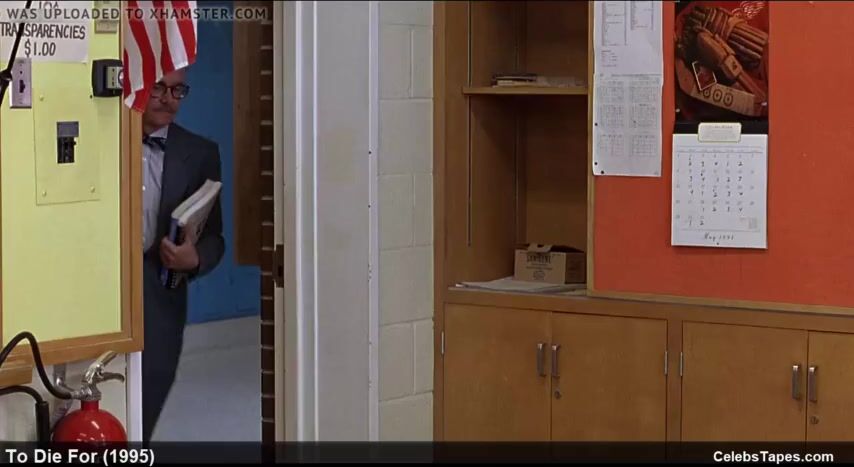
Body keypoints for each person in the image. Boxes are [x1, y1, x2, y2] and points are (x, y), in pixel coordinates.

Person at [141, 67, 225, 442]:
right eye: (159, 88)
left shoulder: (200, 153)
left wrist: (194, 259)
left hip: (160, 296)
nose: (168, 99)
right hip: (97, 291)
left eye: (178, 91)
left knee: (146, 402)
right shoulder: (103, 140)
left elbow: (215, 237)